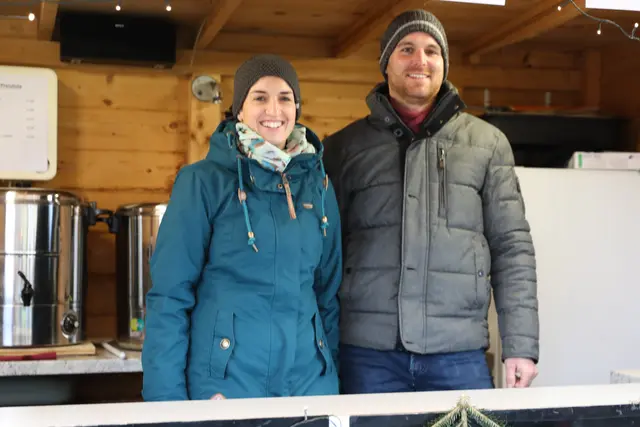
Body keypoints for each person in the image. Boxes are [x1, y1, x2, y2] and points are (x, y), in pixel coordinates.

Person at [322, 9, 539, 393]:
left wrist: (520, 345)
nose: (420, 60)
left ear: (444, 64)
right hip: (368, 353)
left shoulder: (487, 144)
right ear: (386, 63)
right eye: (406, 49)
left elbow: (512, 248)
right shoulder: (344, 148)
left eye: (431, 51)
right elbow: (323, 254)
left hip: (458, 352)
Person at [141, 54, 342, 401]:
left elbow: (328, 296)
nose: (274, 110)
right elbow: (170, 298)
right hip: (226, 388)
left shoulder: (319, 186)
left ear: (296, 108)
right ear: (240, 110)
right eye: (260, 97)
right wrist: (167, 405)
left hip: (309, 386)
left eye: (285, 98)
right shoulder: (203, 182)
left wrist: (331, 377)